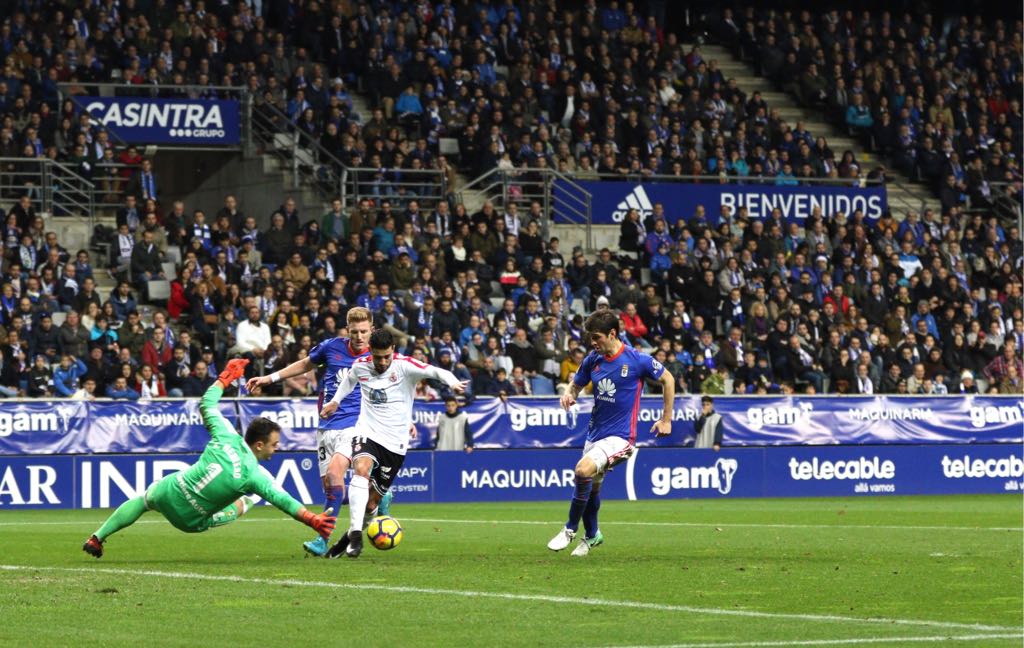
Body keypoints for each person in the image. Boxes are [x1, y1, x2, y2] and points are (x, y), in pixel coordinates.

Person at [83, 359, 336, 558]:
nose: (276, 449)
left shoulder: (225, 433)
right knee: (243, 504)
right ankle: (228, 508)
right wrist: (313, 520)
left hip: (171, 492)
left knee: (143, 500)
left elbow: (206, 403)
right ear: (259, 445)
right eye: (274, 445)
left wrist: (225, 378)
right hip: (191, 519)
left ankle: (97, 537)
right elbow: (284, 501)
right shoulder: (255, 475)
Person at [319, 329, 466, 558]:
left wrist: (453, 382)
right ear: (371, 352)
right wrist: (336, 401)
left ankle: (345, 539)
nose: (382, 362)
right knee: (361, 469)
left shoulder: (405, 365)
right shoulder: (361, 365)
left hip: (395, 442)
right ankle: (357, 535)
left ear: (393, 352)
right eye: (378, 357)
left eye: (387, 356)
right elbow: (349, 381)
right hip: (366, 431)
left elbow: (436, 371)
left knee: (372, 504)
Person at [245, 306, 373, 557]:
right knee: (330, 487)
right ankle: (374, 496)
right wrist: (269, 379)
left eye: (364, 331)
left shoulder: (377, 357)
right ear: (347, 330)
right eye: (355, 331)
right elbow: (304, 364)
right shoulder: (331, 347)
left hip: (356, 424)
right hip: (326, 425)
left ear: (372, 330)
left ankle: (322, 538)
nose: (359, 336)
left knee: (336, 473)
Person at [548, 310, 675, 557]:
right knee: (590, 488)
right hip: (594, 435)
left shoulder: (637, 360)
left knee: (582, 471)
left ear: (612, 333)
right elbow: (577, 384)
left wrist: (666, 419)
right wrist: (569, 395)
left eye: (596, 337)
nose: (592, 343)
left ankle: (569, 529)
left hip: (621, 437)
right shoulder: (593, 359)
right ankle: (593, 534)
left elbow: (668, 379)